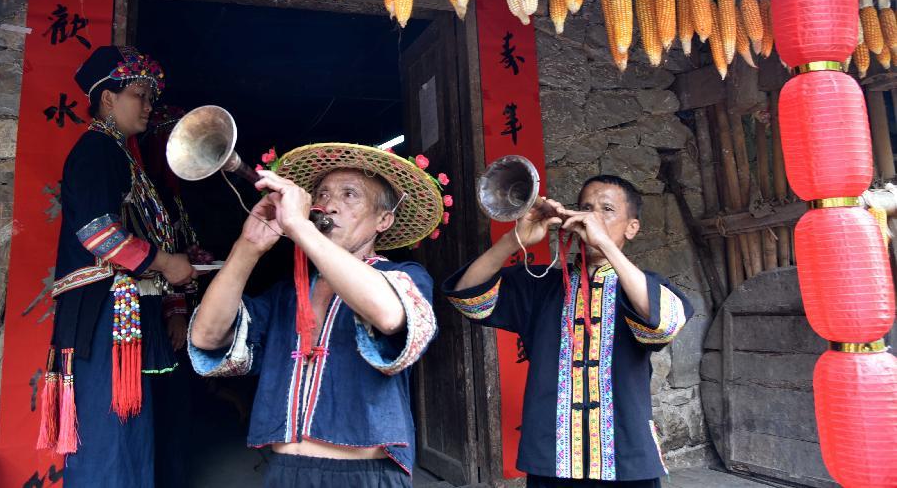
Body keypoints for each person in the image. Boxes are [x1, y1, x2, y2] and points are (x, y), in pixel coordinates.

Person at [188, 144, 443, 488]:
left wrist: (299, 228)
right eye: (322, 194)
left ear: (383, 220)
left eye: (350, 195)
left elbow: (388, 315)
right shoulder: (287, 293)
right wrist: (248, 245)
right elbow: (207, 336)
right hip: (284, 473)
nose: (330, 204)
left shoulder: (405, 276)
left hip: (364, 477)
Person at [443, 175, 693, 487]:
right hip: (551, 459)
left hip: (627, 459)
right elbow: (468, 299)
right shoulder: (542, 286)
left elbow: (664, 325)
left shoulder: (642, 288)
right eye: (586, 207)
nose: (592, 217)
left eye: (607, 209)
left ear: (632, 227)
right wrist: (514, 240)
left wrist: (604, 244)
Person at [36, 46, 197, 488]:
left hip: (122, 311)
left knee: (129, 431)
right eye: (140, 95)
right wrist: (166, 262)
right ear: (108, 99)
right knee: (109, 431)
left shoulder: (120, 154)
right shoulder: (95, 151)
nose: (149, 106)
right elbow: (99, 235)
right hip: (103, 313)